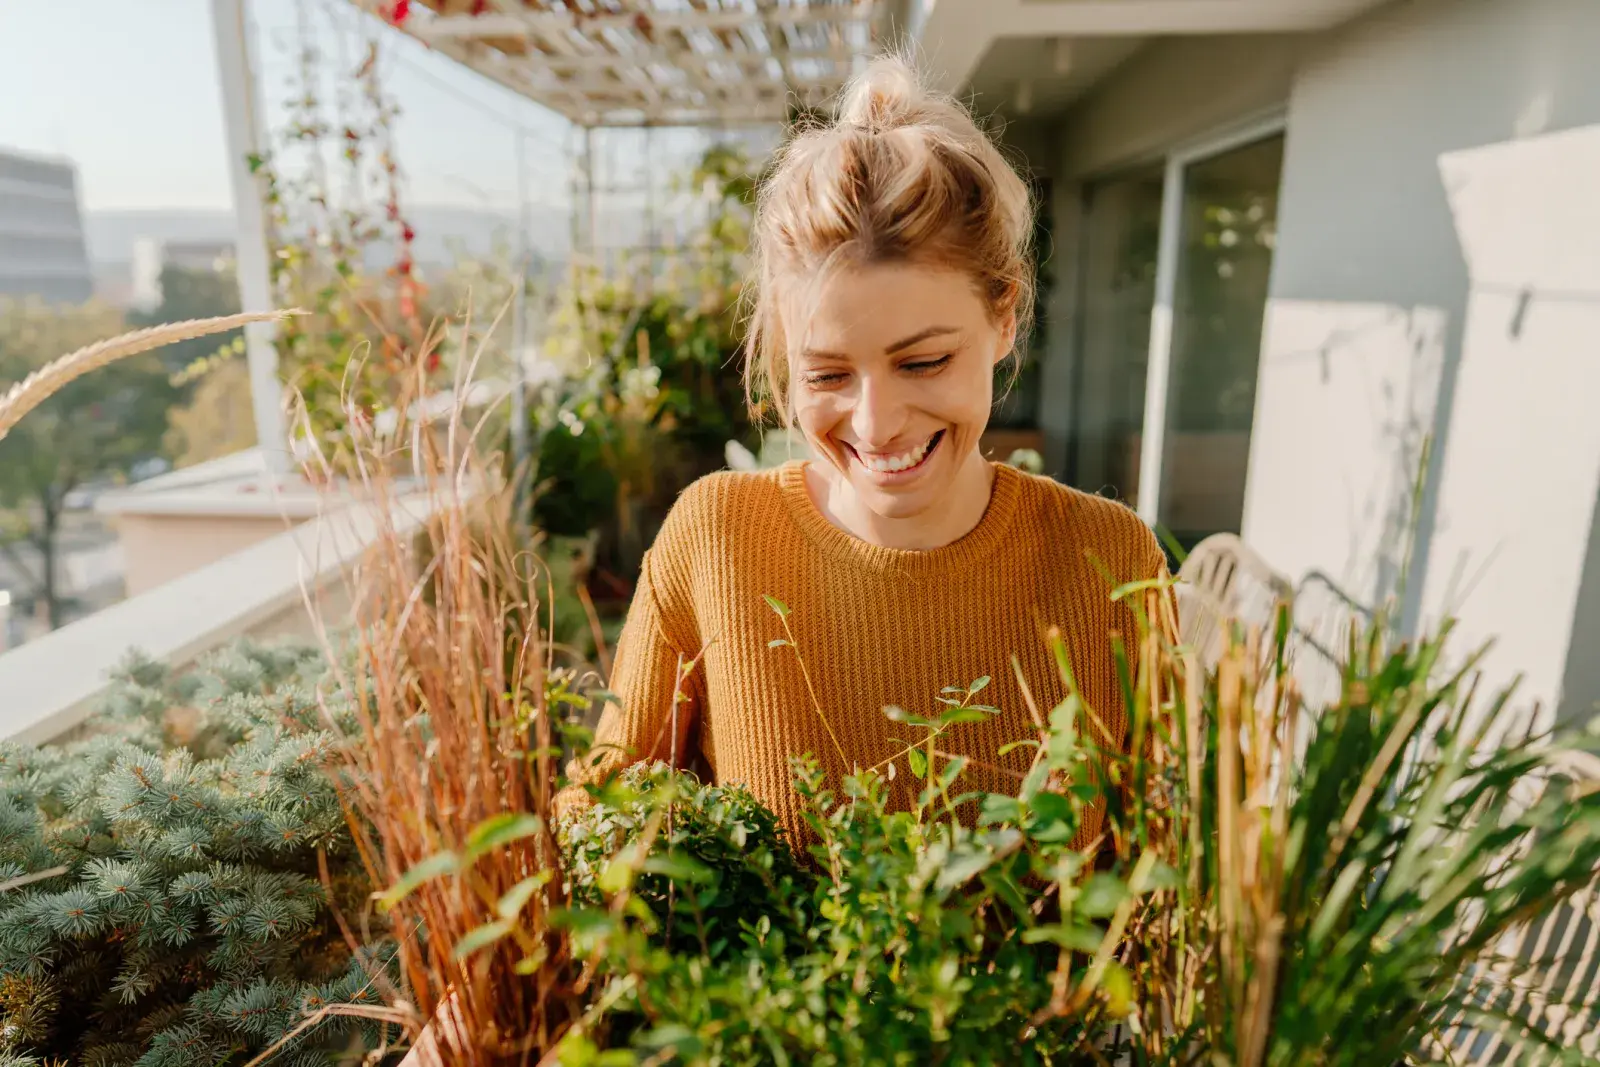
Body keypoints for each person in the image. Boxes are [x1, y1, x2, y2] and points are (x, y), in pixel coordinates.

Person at [559, 55, 1169, 852]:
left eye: (923, 362)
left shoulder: (1110, 561)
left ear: (1005, 317)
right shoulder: (714, 539)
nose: (877, 423)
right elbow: (599, 820)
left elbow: (1173, 869)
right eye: (828, 374)